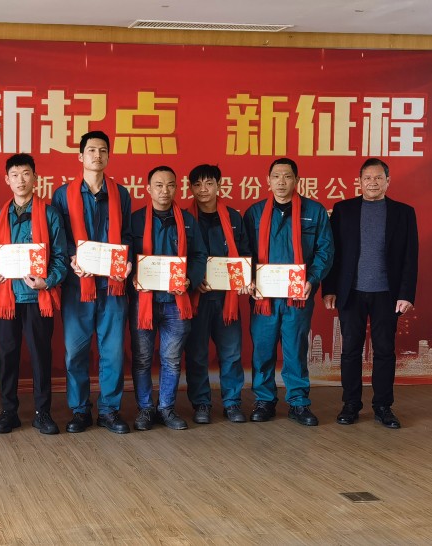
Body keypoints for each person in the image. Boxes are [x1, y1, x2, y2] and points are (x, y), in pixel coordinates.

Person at [323, 158, 418, 429]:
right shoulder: (343, 210)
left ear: (388, 181)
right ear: (359, 181)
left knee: (385, 351)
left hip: (387, 294)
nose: (373, 183)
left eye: (378, 178)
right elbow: (332, 253)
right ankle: (350, 404)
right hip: (351, 293)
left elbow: (411, 256)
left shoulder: (403, 213)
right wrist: (329, 289)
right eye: (367, 178)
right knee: (350, 350)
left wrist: (406, 294)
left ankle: (383, 406)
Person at [51, 131, 133, 434]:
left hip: (112, 286)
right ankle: (80, 410)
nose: (97, 155)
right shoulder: (63, 194)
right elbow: (59, 236)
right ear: (80, 156)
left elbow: (127, 234)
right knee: (76, 352)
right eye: (91, 150)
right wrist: (71, 257)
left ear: (108, 156)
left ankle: (109, 410)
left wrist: (127, 260)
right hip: (78, 286)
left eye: (102, 150)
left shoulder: (120, 194)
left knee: (112, 352)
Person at [243, 158, 333, 427]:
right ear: (267, 181)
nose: (281, 182)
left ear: (297, 180)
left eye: (287, 176)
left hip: (298, 296)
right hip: (264, 298)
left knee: (295, 349)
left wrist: (312, 279)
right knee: (263, 350)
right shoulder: (255, 213)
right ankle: (264, 400)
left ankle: (298, 402)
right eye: (276, 176)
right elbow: (244, 251)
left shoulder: (314, 211)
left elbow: (325, 250)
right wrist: (248, 278)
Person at [0, 153, 69, 435]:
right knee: (7, 355)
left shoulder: (49, 214)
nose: (20, 180)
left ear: (35, 178)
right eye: (15, 175)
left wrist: (47, 281)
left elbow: (61, 257)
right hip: (8, 299)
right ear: (7, 180)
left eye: (26, 174)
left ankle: (42, 412)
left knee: (40, 356)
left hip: (38, 298)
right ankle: (8, 412)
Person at [127, 166, 204, 431]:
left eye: (170, 185)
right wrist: (132, 275)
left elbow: (199, 255)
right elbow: (125, 255)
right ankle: (145, 409)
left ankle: (166, 408)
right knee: (142, 359)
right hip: (144, 302)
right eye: (158, 185)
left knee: (171, 359)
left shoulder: (188, 221)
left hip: (176, 302)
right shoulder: (135, 220)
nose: (164, 190)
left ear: (177, 188)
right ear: (148, 188)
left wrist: (190, 279)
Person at [184, 164, 253, 424]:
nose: (203, 189)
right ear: (190, 188)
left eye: (209, 183)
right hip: (197, 297)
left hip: (227, 299)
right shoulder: (184, 218)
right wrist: (193, 279)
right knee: (197, 354)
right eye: (197, 184)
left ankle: (232, 403)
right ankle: (201, 403)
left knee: (231, 353)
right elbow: (179, 255)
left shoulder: (233, 217)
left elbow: (244, 252)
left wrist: (244, 278)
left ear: (218, 185)